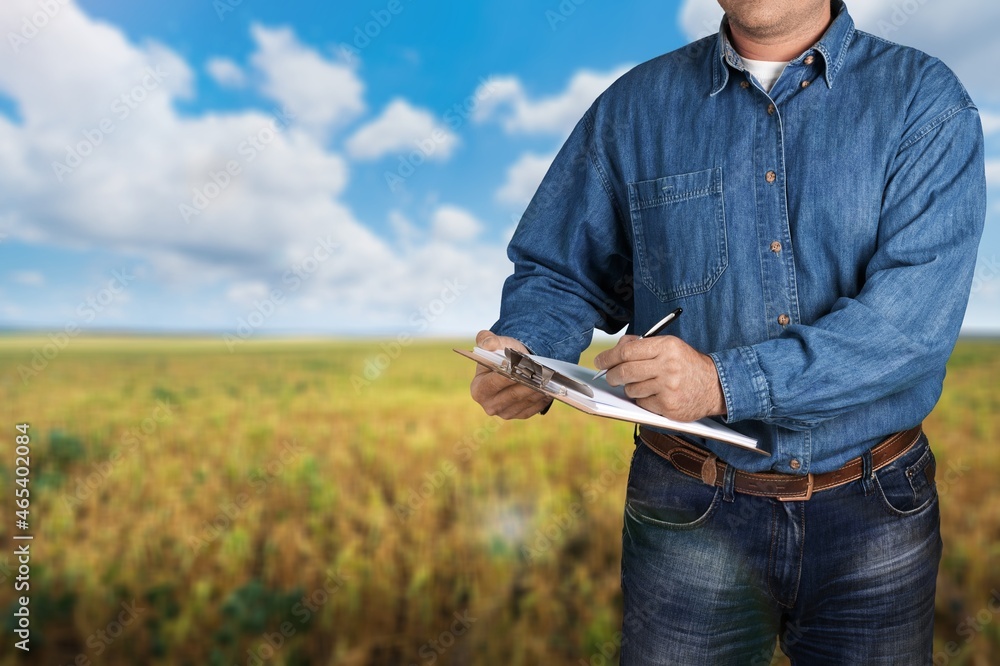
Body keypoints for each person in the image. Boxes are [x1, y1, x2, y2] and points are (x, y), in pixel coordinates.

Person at [470, 0, 986, 663]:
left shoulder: (925, 101)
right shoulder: (633, 108)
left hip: (874, 509)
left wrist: (722, 383)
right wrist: (529, 350)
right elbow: (562, 270)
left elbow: (910, 327)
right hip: (687, 502)